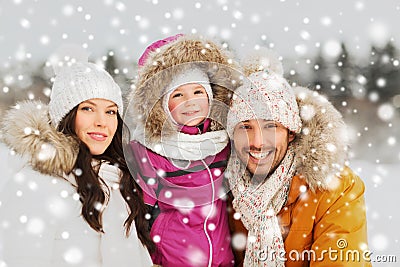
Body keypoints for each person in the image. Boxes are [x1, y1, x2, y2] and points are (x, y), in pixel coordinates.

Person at [226, 49, 371, 266]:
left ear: (291, 132)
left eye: (270, 126)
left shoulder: (334, 188)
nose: (257, 141)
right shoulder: (220, 191)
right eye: (245, 127)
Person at [0, 62, 154, 266]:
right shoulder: (35, 184)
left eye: (110, 111)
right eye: (88, 108)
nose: (102, 121)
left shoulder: (116, 181)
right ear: (66, 116)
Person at [127, 34, 239, 267]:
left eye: (198, 92)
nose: (191, 102)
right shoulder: (150, 152)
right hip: (173, 259)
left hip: (222, 258)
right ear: (161, 105)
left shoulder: (222, 144)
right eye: (178, 95)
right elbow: (141, 216)